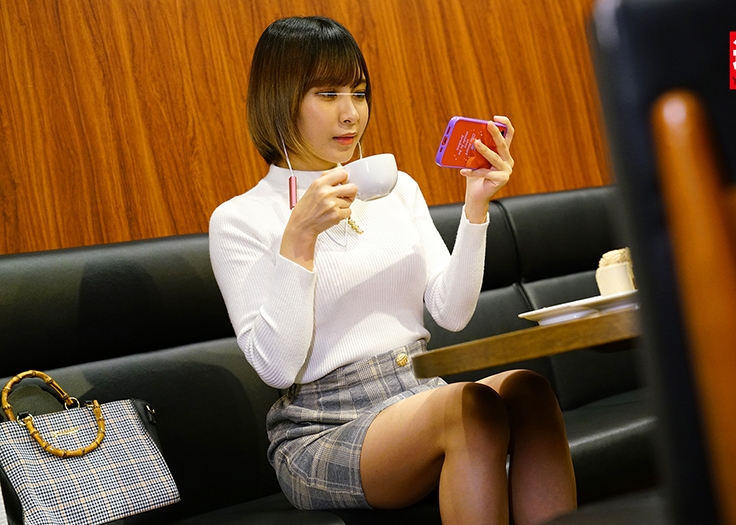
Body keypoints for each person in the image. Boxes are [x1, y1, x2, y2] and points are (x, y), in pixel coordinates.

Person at [209, 16, 576, 525]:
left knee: (529, 392)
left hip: (418, 393)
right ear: (279, 100)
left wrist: (476, 206)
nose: (350, 114)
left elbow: (451, 313)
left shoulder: (397, 188)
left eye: (358, 94)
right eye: (328, 94)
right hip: (322, 427)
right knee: (468, 409)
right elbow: (277, 368)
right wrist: (299, 239)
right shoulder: (241, 219)